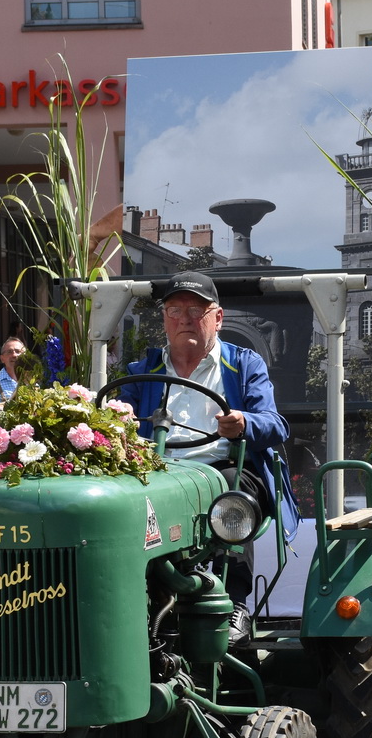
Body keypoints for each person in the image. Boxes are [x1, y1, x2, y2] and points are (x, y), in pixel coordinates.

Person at [121, 271, 296, 637]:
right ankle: (136, 609)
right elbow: (117, 421)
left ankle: (236, 605)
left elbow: (276, 424)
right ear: (165, 319)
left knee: (231, 493)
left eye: (195, 310)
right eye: (175, 310)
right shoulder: (142, 371)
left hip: (225, 467)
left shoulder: (245, 365)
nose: (184, 318)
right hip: (159, 473)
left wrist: (243, 423)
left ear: (217, 318)